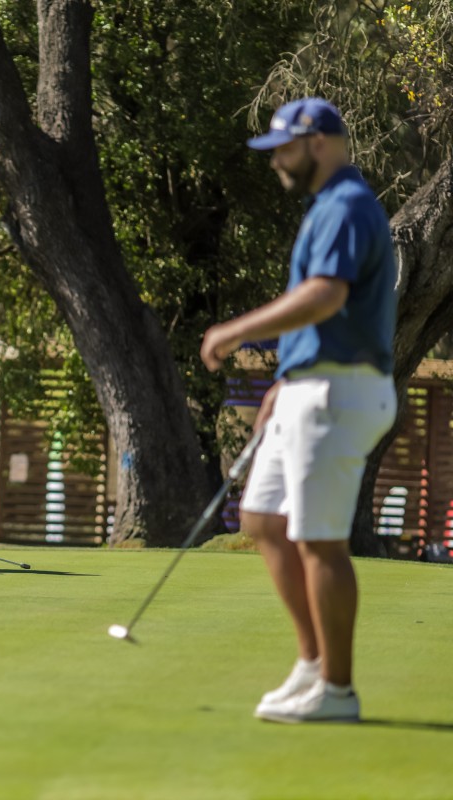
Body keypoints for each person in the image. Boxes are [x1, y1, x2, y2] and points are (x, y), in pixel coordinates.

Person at [201, 97, 397, 724]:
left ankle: (337, 691)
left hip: (340, 392)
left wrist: (235, 330)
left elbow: (325, 297)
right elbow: (326, 319)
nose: (276, 162)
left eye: (283, 149)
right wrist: (282, 384)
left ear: (318, 143)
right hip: (309, 387)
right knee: (262, 518)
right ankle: (312, 665)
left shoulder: (347, 205)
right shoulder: (327, 207)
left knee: (319, 540)